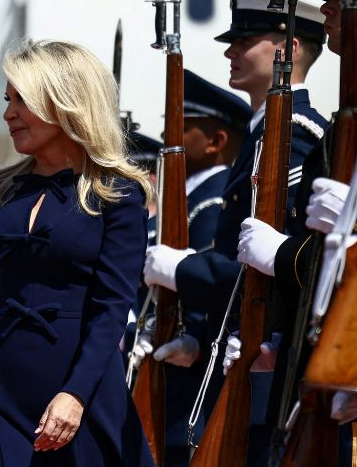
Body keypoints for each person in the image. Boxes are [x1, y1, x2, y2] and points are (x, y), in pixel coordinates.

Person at [0, 40, 155, 466]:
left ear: (66, 103)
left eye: (23, 100)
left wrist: (75, 394)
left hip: (82, 396)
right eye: (8, 100)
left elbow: (112, 308)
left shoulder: (118, 194)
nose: (9, 114)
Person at [142, 0, 328, 465]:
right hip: (235, 358)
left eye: (246, 41)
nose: (230, 51)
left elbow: (275, 264)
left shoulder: (296, 134)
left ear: (288, 49)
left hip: (266, 367)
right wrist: (199, 336)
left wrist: (181, 270)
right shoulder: (260, 135)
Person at [229, 0, 357, 463]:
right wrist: (280, 328)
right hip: (328, 361)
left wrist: (285, 255)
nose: (326, 8)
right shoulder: (353, 119)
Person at [130, 69, 251, 465]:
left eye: (182, 128)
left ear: (216, 142)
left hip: (187, 379)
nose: (168, 137)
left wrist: (192, 336)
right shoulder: (189, 198)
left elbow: (209, 285)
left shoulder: (212, 202)